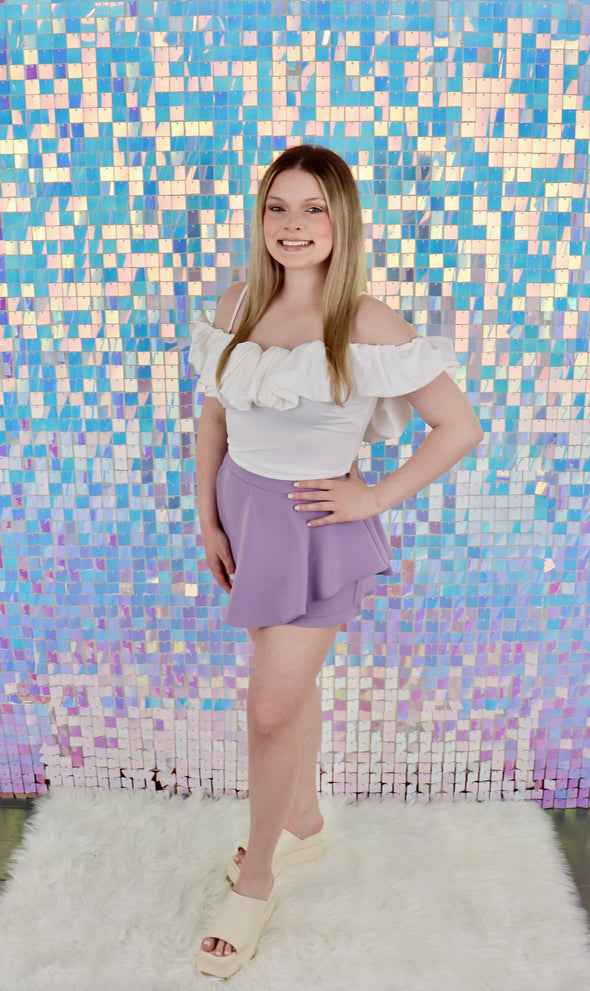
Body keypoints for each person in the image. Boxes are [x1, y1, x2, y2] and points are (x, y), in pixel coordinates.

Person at [190, 144, 483, 978]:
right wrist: (207, 519)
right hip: (245, 515)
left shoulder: (366, 320)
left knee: (268, 710)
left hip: (315, 531)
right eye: (278, 207)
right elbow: (214, 419)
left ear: (341, 219)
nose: (293, 224)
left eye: (313, 207)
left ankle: (255, 880)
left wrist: (372, 497)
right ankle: (303, 822)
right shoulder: (238, 302)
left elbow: (460, 426)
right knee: (288, 692)